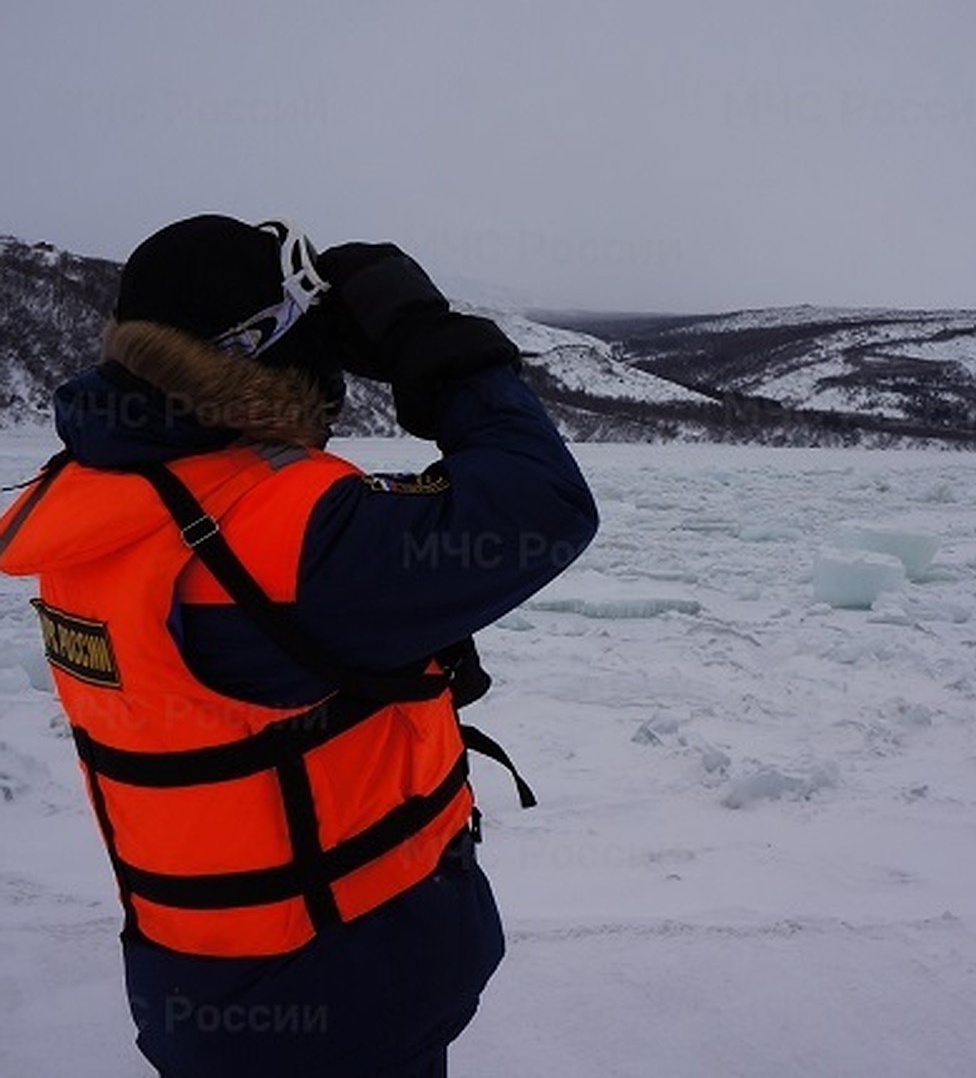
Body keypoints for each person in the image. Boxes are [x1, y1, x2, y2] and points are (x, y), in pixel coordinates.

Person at [0, 215, 599, 1077]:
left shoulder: (103, 500)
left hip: (197, 982)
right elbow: (543, 506)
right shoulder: (285, 538)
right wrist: (435, 344)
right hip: (344, 1001)